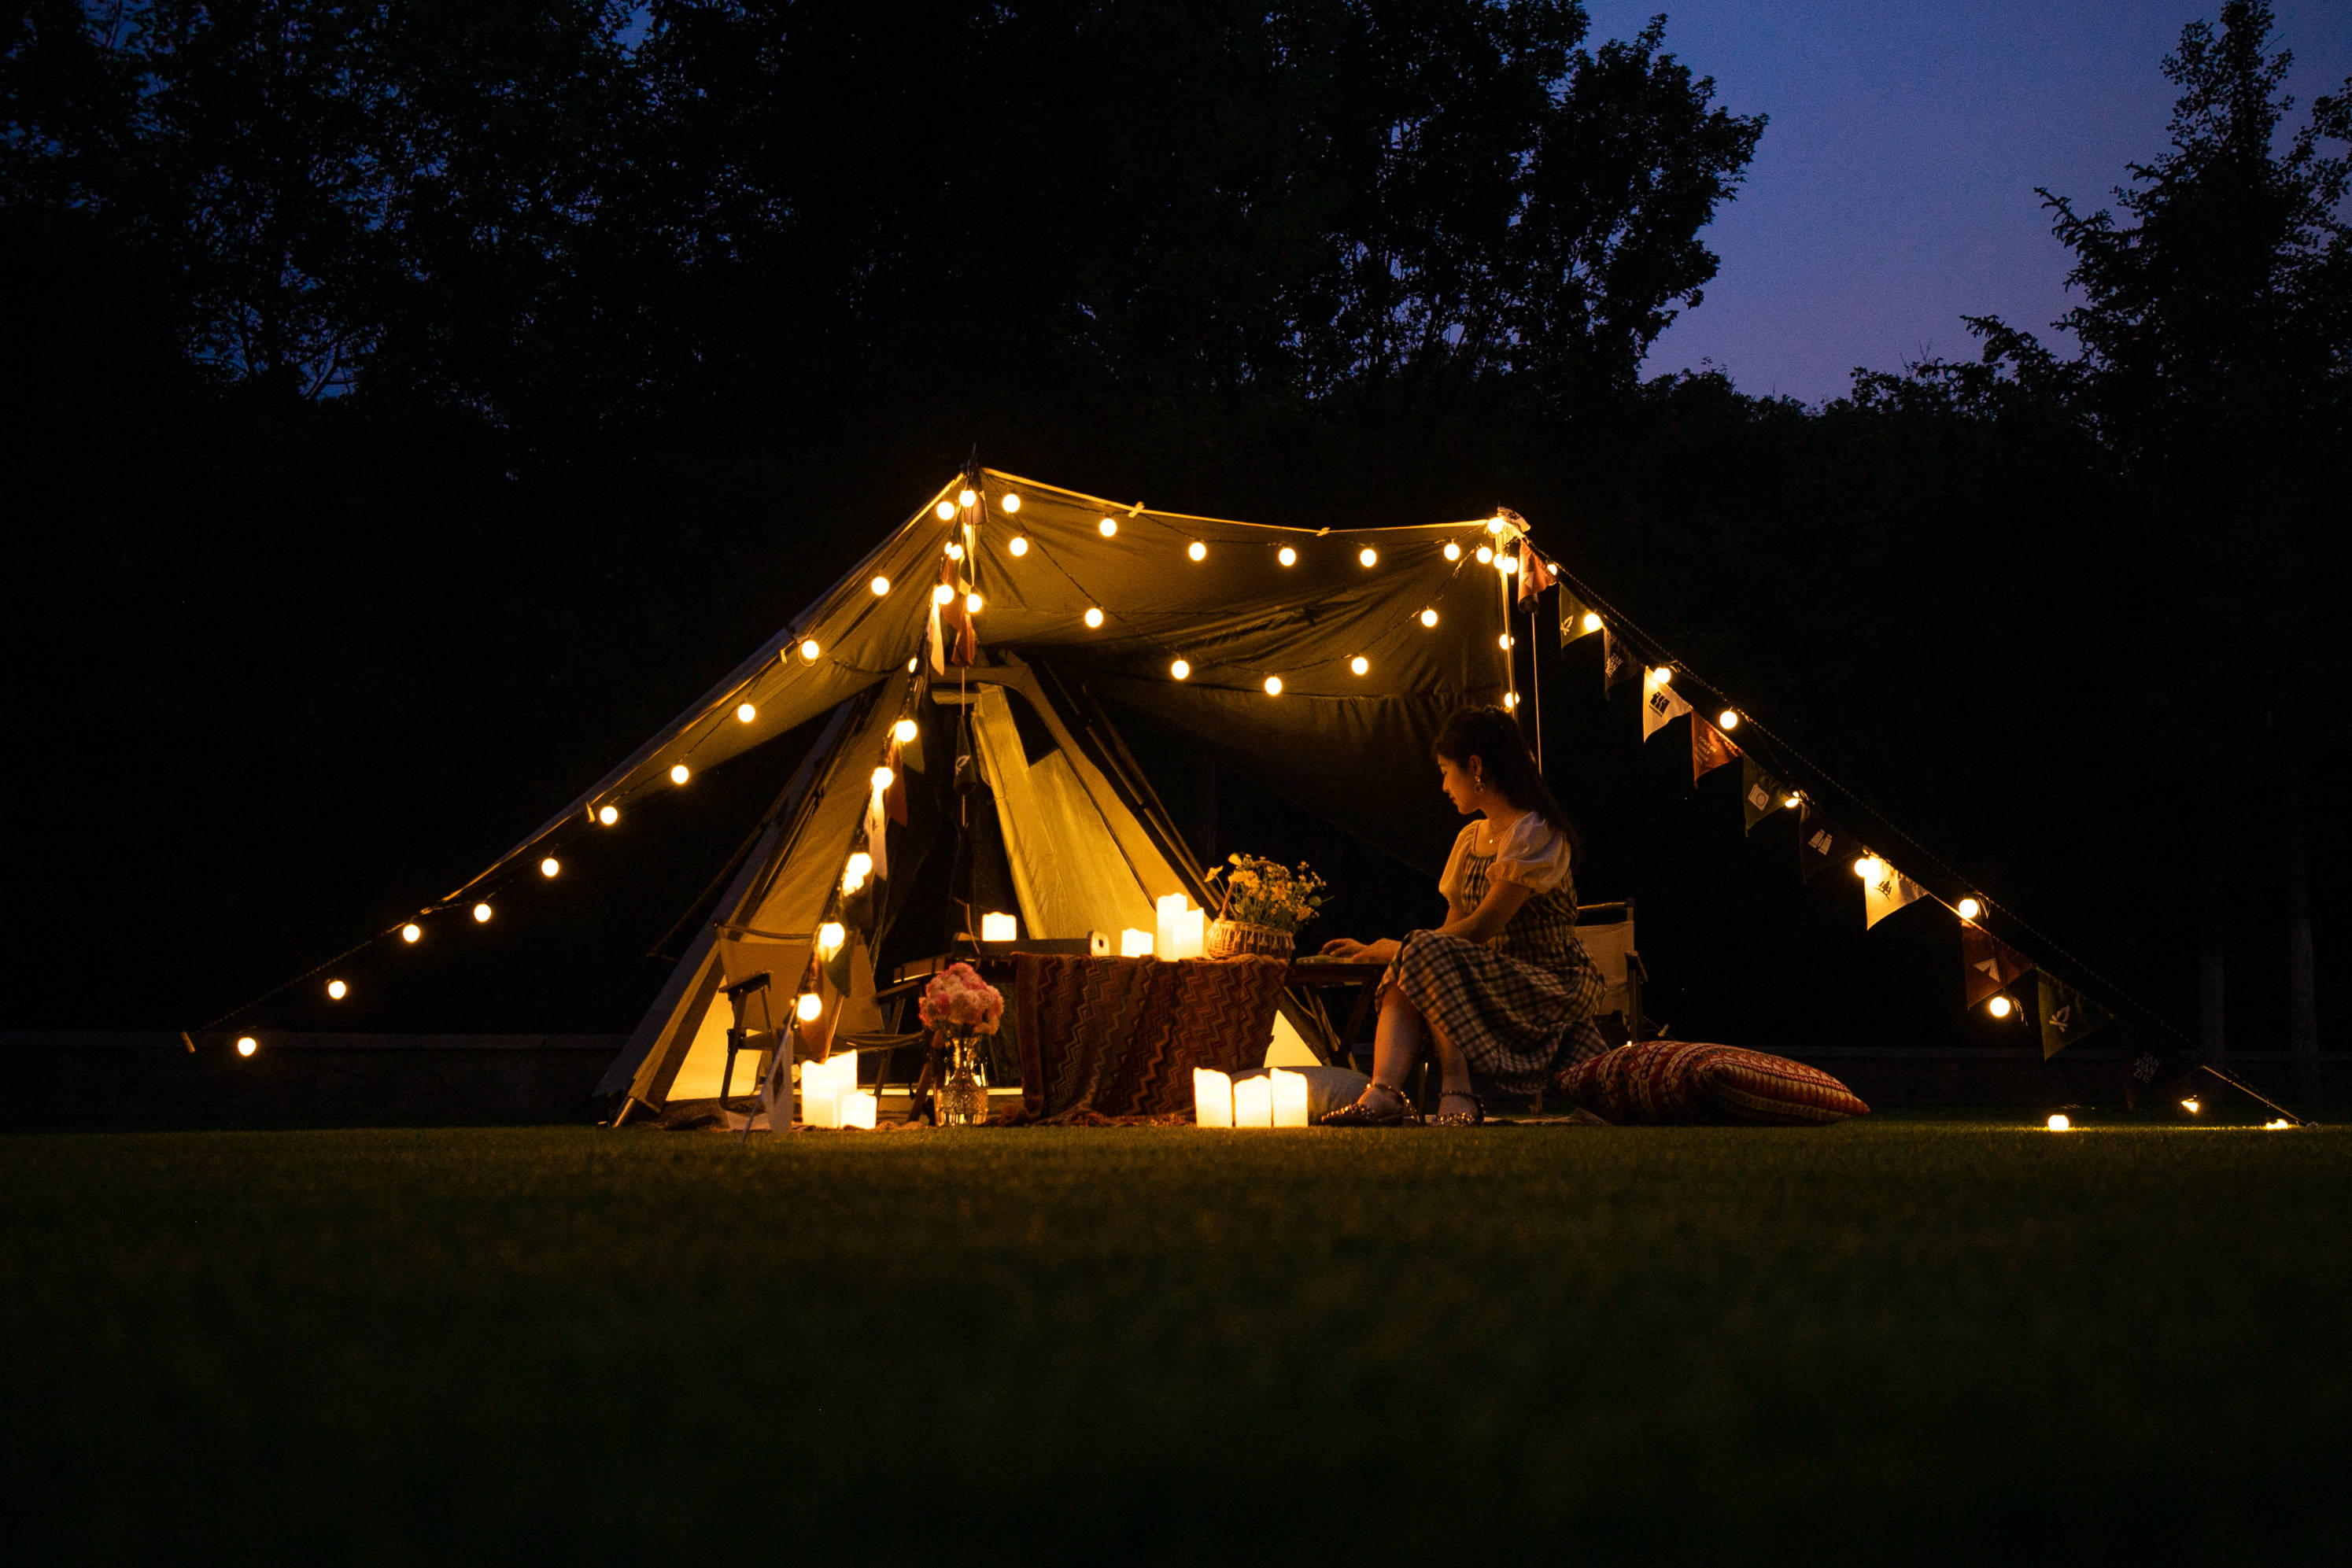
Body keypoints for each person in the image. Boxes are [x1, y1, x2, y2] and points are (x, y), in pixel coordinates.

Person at [1319, 704, 1608, 1126]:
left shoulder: (1535, 832)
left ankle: (1457, 1090)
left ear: (1475, 767)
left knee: (1422, 950)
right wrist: (1397, 952)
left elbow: (1482, 928)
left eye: (1444, 770)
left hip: (1543, 978)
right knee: (1420, 956)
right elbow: (1451, 932)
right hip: (1487, 974)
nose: (1443, 786)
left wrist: (1398, 948)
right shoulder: (1470, 838)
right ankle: (1383, 1091)